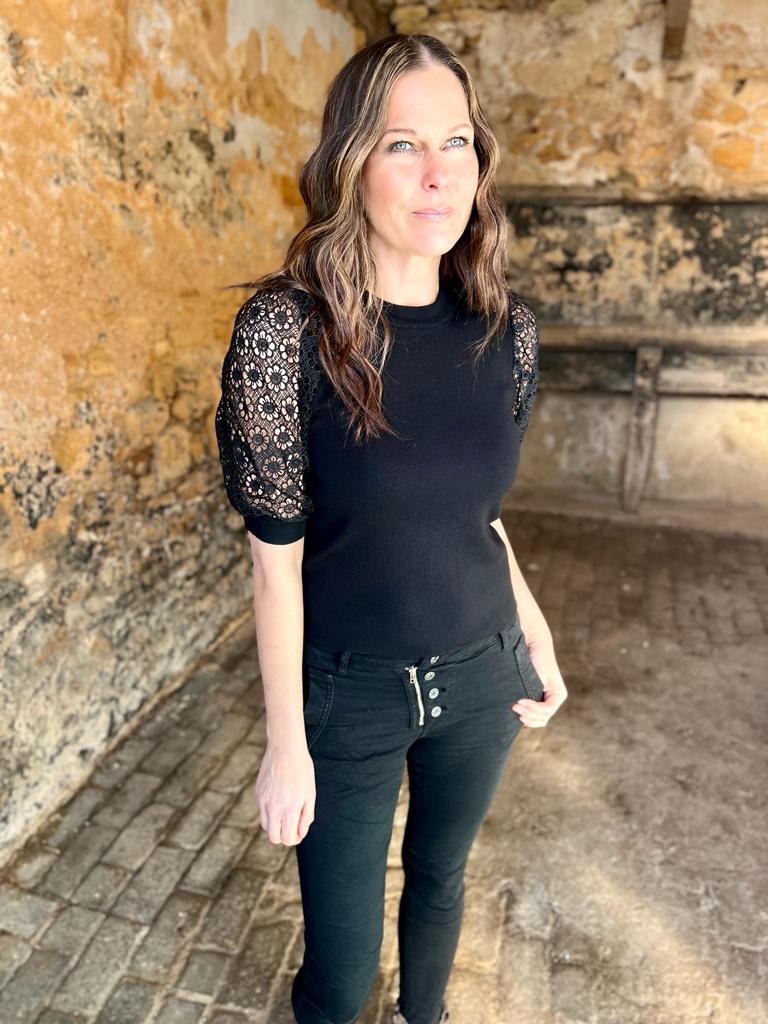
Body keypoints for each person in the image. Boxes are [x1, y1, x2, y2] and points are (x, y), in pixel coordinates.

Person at [214, 31, 568, 1024]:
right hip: (349, 697)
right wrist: (286, 743)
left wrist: (536, 634)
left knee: (443, 884)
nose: (437, 174)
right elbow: (274, 567)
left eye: (455, 142)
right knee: (339, 972)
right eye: (402, 145)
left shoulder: (507, 330)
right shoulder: (287, 333)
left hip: (484, 673)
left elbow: (478, 518)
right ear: (350, 163)